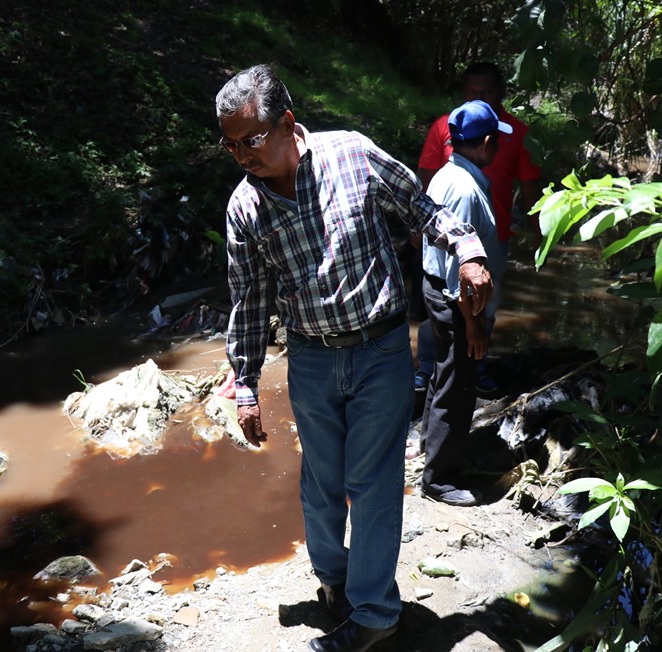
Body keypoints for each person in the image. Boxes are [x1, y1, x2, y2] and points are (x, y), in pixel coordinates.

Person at [216, 64, 493, 652]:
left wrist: (467, 250)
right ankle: (336, 583)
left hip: (381, 349)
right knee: (320, 484)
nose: (240, 154)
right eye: (230, 144)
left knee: (371, 483)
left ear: (288, 123)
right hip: (312, 360)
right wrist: (244, 383)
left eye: (251, 140)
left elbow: (423, 211)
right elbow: (250, 302)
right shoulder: (245, 209)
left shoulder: (353, 155)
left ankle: (373, 615)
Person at [416, 61, 543, 391]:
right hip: (445, 231)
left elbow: (530, 188)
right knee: (445, 296)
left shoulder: (516, 133)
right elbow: (426, 178)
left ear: (500, 92)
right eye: (471, 92)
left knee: (485, 301)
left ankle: (474, 367)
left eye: (484, 91)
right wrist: (418, 227)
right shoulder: (448, 127)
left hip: (493, 234)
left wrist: (539, 234)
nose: (477, 97)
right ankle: (432, 369)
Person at [420, 100, 509, 508]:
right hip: (457, 301)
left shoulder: (446, 174)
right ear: (487, 143)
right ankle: (440, 478)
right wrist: (473, 324)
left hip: (436, 290)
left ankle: (431, 446)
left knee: (444, 374)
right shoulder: (467, 190)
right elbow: (462, 268)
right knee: (458, 385)